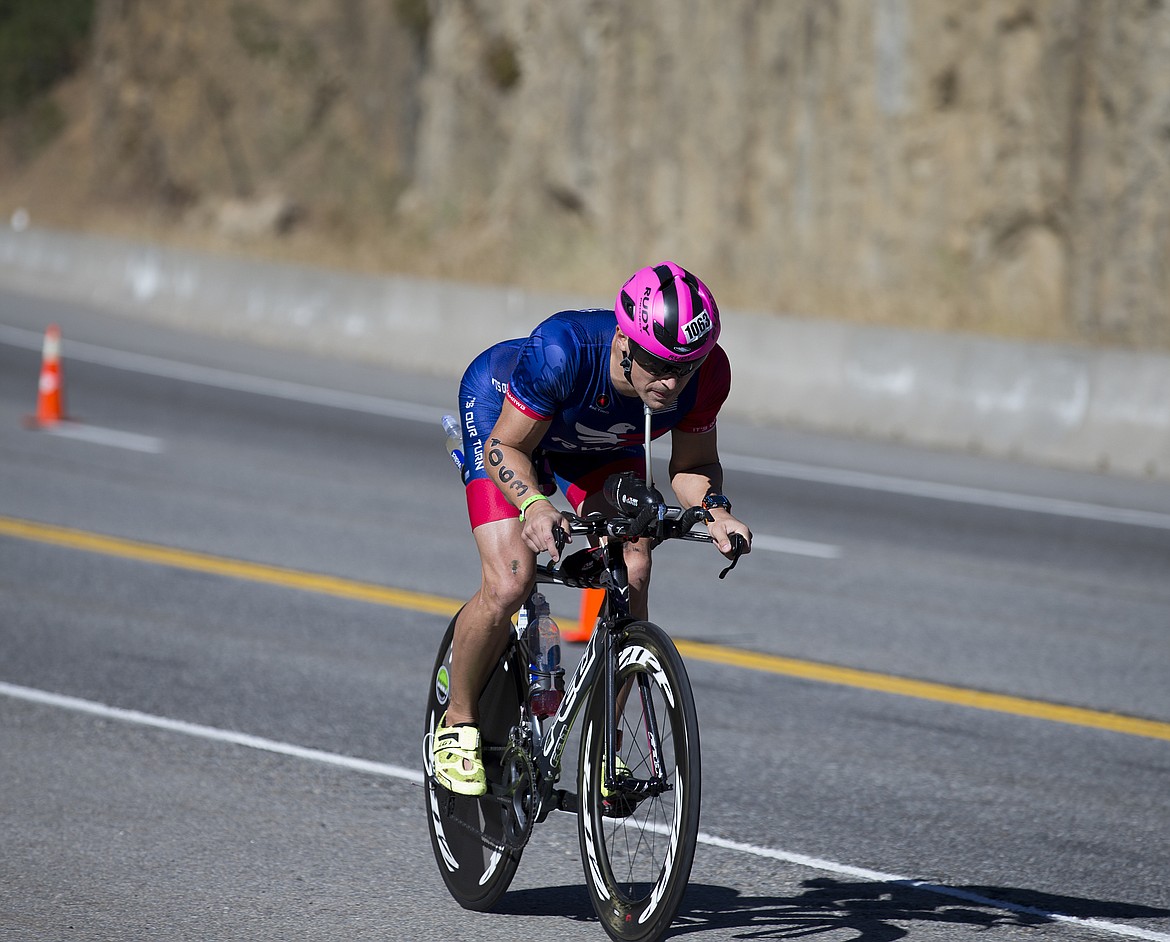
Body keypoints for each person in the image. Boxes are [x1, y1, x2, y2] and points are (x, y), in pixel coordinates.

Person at [432, 261, 753, 796]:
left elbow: (691, 465)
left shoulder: (708, 373)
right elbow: (502, 448)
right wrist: (534, 504)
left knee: (635, 564)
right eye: (659, 366)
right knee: (511, 579)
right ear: (627, 342)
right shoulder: (564, 349)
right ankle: (457, 720)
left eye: (687, 368)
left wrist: (716, 511)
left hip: (595, 444)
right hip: (506, 421)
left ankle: (603, 750)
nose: (672, 384)